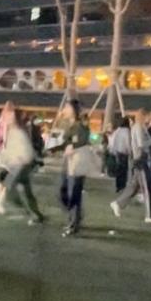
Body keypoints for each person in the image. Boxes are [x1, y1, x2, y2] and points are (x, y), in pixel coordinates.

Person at [0, 109, 44, 225]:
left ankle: (30, 213)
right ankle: (35, 214)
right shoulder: (14, 131)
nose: (5, 119)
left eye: (8, 117)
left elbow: (26, 151)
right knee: (26, 192)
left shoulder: (18, 132)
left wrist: (17, 160)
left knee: (11, 189)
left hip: (21, 166)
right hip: (19, 166)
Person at [51, 100, 91, 237]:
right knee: (62, 191)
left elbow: (83, 140)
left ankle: (74, 222)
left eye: (67, 107)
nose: (64, 110)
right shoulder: (68, 125)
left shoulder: (81, 126)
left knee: (73, 193)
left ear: (74, 110)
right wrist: (54, 149)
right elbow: (65, 142)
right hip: (68, 162)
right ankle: (75, 217)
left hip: (77, 162)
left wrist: (72, 147)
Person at [111, 109, 151, 218]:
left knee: (135, 185)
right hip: (140, 158)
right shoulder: (138, 128)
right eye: (148, 117)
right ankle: (150, 214)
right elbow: (140, 144)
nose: (149, 119)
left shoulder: (136, 128)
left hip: (135, 157)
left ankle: (118, 203)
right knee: (146, 187)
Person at [0, 101, 17, 215]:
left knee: (2, 180)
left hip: (2, 153)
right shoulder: (9, 122)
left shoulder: (1, 121)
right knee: (7, 180)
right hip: (8, 153)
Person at [108, 117, 132, 193]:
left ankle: (118, 186)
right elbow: (127, 142)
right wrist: (130, 151)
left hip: (117, 152)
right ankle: (122, 186)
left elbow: (113, 141)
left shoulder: (117, 131)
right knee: (123, 171)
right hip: (124, 153)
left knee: (119, 170)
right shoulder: (126, 131)